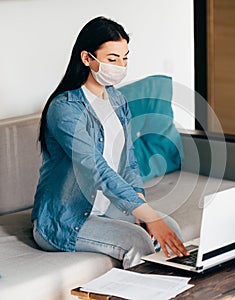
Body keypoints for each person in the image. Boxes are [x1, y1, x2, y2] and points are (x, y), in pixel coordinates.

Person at [31, 16, 189, 269]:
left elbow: (129, 163)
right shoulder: (65, 108)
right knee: (139, 241)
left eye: (125, 58)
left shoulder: (117, 102)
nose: (121, 66)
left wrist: (140, 208)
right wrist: (146, 214)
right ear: (87, 59)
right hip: (66, 218)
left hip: (107, 208)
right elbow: (94, 168)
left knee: (171, 227)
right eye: (112, 59)